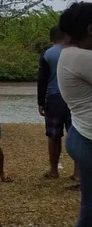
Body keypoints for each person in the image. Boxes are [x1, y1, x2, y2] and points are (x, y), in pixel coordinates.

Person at [57, 2, 92, 227]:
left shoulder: (70, 54)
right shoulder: (80, 57)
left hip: (82, 135)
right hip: (89, 139)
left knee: (89, 209)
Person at [38, 25, 77, 180]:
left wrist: (41, 102)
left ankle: (54, 170)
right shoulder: (75, 51)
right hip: (74, 97)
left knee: (54, 135)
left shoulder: (48, 54)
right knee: (76, 133)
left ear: (52, 38)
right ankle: (77, 172)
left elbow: (42, 80)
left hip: (54, 98)